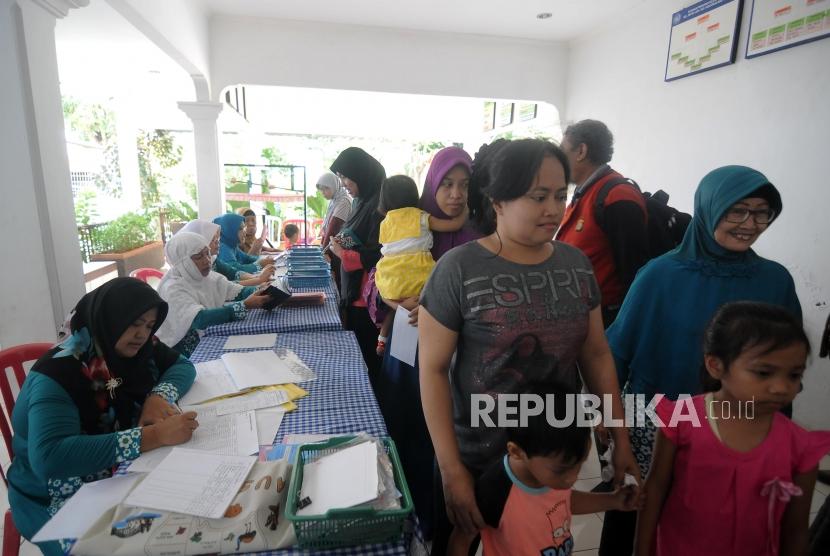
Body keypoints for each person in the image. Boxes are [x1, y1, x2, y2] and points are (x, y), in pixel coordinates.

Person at [418, 138, 639, 555]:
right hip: (479, 458)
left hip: (552, 457)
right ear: (498, 199)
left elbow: (595, 354)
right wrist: (452, 470)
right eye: (538, 197)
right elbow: (431, 371)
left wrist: (621, 437)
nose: (553, 209)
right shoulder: (459, 269)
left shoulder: (575, 264)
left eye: (561, 195)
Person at [603, 164, 802, 554]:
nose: (750, 223)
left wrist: (778, 432)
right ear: (710, 207)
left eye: (762, 212)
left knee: (708, 524)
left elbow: (785, 363)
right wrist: (613, 426)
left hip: (738, 427)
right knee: (637, 517)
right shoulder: (659, 275)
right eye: (737, 210)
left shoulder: (775, 280)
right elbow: (615, 354)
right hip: (657, 423)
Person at [7, 278, 200, 555]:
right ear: (110, 317)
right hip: (52, 492)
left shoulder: (139, 348)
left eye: (149, 325)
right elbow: (50, 457)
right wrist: (152, 436)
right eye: (134, 323)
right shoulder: (60, 373)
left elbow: (182, 366)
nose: (142, 335)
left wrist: (157, 397)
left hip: (115, 471)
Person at [637, 302, 830, 556]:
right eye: (764, 373)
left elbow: (795, 531)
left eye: (794, 375)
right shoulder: (682, 419)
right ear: (716, 365)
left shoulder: (800, 447)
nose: (781, 387)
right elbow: (655, 489)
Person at [375, 146, 478, 541]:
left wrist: (439, 307)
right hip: (404, 353)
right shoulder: (411, 224)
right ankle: (398, 512)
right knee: (402, 428)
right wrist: (391, 298)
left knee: (436, 441)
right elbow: (378, 276)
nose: (455, 195)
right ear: (432, 184)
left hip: (447, 360)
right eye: (447, 184)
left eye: (464, 186)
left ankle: (432, 525)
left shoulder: (475, 238)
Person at [449, 384, 642, 556]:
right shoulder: (494, 491)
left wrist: (614, 500)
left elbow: (564, 501)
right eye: (562, 470)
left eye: (580, 465)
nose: (572, 478)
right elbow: (462, 539)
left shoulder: (551, 479)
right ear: (517, 452)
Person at [556, 119, 648, 327]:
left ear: (581, 151)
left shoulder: (617, 197)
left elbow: (633, 272)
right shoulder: (586, 192)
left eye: (562, 152)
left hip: (606, 321)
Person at [374, 174, 468, 354]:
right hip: (420, 279)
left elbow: (387, 251)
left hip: (390, 280)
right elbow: (454, 225)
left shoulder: (385, 222)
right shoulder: (420, 217)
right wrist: (465, 210)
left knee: (395, 312)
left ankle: (382, 340)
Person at [155, 232, 271, 356]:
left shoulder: (208, 277)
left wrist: (262, 290)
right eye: (198, 256)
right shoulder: (173, 288)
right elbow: (199, 319)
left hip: (206, 338)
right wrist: (244, 306)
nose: (207, 260)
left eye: (207, 253)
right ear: (183, 262)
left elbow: (237, 291)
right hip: (180, 352)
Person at [327, 146, 386, 382]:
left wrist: (341, 252)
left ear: (362, 174)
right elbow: (354, 234)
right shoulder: (361, 201)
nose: (343, 184)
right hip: (354, 291)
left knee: (366, 356)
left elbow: (377, 252)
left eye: (345, 177)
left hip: (367, 296)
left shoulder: (379, 206)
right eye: (340, 178)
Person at [179, 219, 274, 286]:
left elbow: (233, 272)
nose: (218, 242)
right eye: (212, 239)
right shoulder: (223, 250)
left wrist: (258, 277)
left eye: (218, 238)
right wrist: (258, 278)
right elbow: (223, 286)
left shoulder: (213, 258)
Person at [316, 171, 352, 292]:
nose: (323, 193)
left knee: (338, 282)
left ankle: (341, 308)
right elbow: (327, 228)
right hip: (333, 246)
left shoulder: (344, 201)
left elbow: (334, 226)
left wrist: (324, 251)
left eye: (326, 189)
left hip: (339, 249)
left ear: (334, 186)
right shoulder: (335, 200)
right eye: (321, 190)